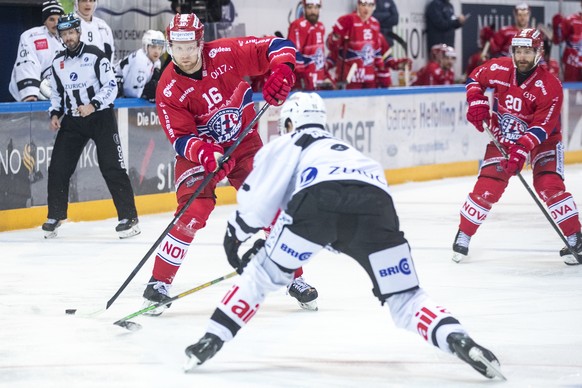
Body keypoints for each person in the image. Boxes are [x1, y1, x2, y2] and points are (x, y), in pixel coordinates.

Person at [182, 92, 505, 381]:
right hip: (377, 210)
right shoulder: (350, 152)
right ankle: (458, 339)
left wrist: (235, 237)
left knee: (260, 277)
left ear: (291, 122)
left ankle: (211, 340)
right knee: (406, 298)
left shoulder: (288, 143)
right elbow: (355, 212)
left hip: (318, 206)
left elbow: (259, 202)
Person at [142, 13, 318, 315]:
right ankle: (158, 282)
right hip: (201, 152)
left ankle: (292, 275)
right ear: (170, 46)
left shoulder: (224, 53)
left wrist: (284, 71)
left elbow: (279, 46)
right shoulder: (167, 88)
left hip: (244, 143)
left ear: (200, 42)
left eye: (190, 47)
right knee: (193, 209)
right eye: (177, 48)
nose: (184, 55)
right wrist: (208, 156)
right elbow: (182, 139)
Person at [453, 28, 582, 266]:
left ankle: (576, 239)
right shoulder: (500, 68)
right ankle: (464, 234)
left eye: (527, 51)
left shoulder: (550, 86)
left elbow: (543, 127)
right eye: (518, 51)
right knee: (487, 187)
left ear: (538, 53)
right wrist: (477, 102)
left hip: (543, 142)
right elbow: (474, 78)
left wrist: (522, 149)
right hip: (505, 135)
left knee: (549, 186)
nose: (522, 56)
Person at [43, 13, 140, 239]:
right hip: (73, 121)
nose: (68, 38)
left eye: (71, 33)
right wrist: (56, 113)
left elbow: (111, 86)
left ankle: (129, 218)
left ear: (79, 32)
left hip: (101, 118)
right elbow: (57, 92)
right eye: (64, 34)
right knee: (58, 168)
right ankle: (55, 215)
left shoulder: (96, 56)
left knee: (111, 167)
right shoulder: (58, 62)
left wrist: (94, 105)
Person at [8, 0, 64, 102]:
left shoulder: (68, 37)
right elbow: (27, 63)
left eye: (59, 19)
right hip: (33, 95)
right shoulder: (32, 36)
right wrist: (30, 93)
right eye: (51, 19)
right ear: (44, 21)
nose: (56, 23)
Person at [325, 0, 385, 89]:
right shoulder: (348, 20)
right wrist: (335, 37)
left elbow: (376, 49)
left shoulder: (375, 24)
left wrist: (380, 69)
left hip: (369, 78)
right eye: (363, 4)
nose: (366, 8)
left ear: (374, 7)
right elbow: (331, 46)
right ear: (358, 5)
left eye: (370, 5)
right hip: (350, 78)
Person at [288, 0, 334, 90]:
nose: (313, 11)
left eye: (316, 8)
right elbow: (293, 52)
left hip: (318, 81)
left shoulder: (320, 26)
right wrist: (302, 78)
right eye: (310, 7)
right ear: (304, 8)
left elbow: (319, 56)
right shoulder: (298, 25)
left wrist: (326, 76)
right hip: (303, 84)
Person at [115, 30, 165, 101]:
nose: (157, 51)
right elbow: (132, 94)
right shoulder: (141, 62)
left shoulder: (156, 61)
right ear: (146, 47)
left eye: (160, 48)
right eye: (153, 47)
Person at [551, 3, 582, 82]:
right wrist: (557, 26)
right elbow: (557, 40)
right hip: (572, 66)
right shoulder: (570, 20)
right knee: (571, 92)